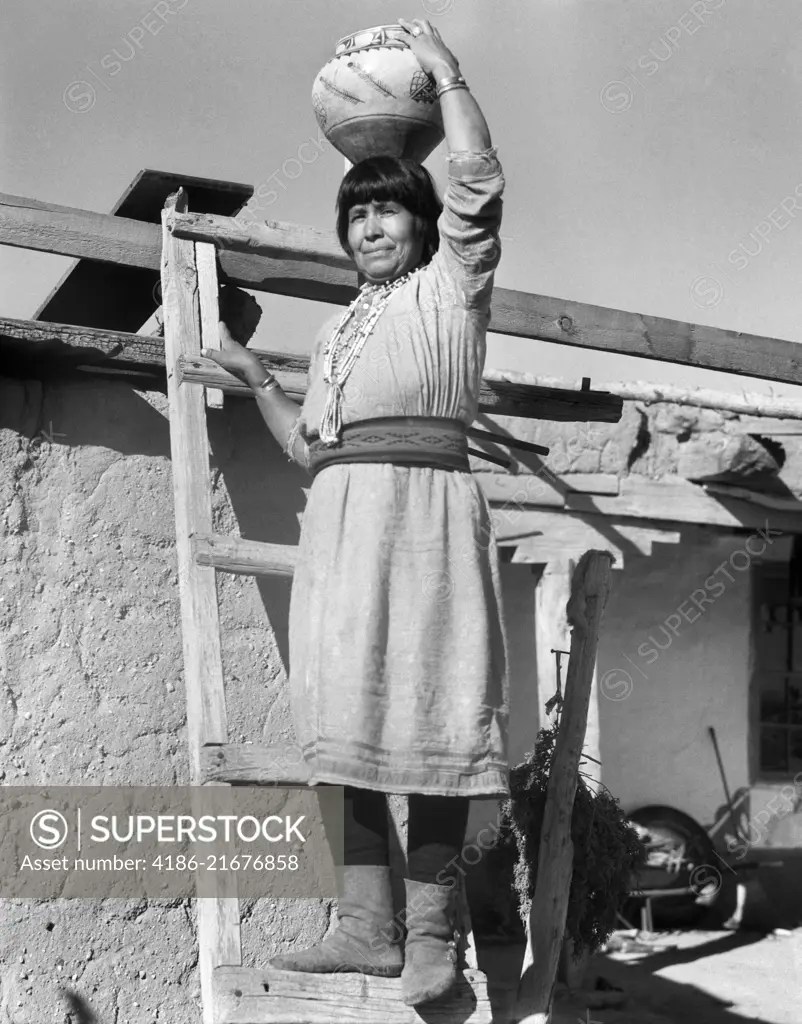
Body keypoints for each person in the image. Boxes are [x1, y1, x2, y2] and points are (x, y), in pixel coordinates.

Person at [204, 16, 509, 1007]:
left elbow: (477, 178)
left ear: (422, 222)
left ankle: (431, 940)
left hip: (426, 519)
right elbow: (310, 447)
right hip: (340, 520)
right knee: (337, 723)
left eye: (388, 213)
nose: (372, 229)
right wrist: (257, 378)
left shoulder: (451, 290)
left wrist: (447, 74)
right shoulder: (339, 326)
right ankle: (364, 927)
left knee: (428, 727)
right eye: (357, 218)